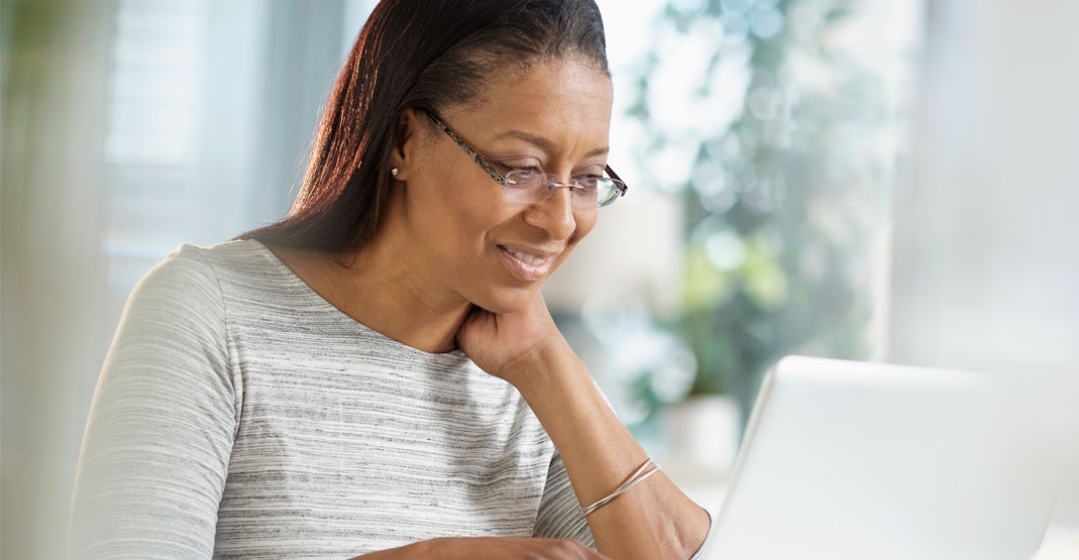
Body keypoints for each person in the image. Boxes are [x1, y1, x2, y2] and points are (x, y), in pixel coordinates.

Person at [68, 1, 712, 558]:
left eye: (589, 179)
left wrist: (549, 364)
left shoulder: (529, 379)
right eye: (520, 167)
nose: (562, 219)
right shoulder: (206, 312)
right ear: (405, 139)